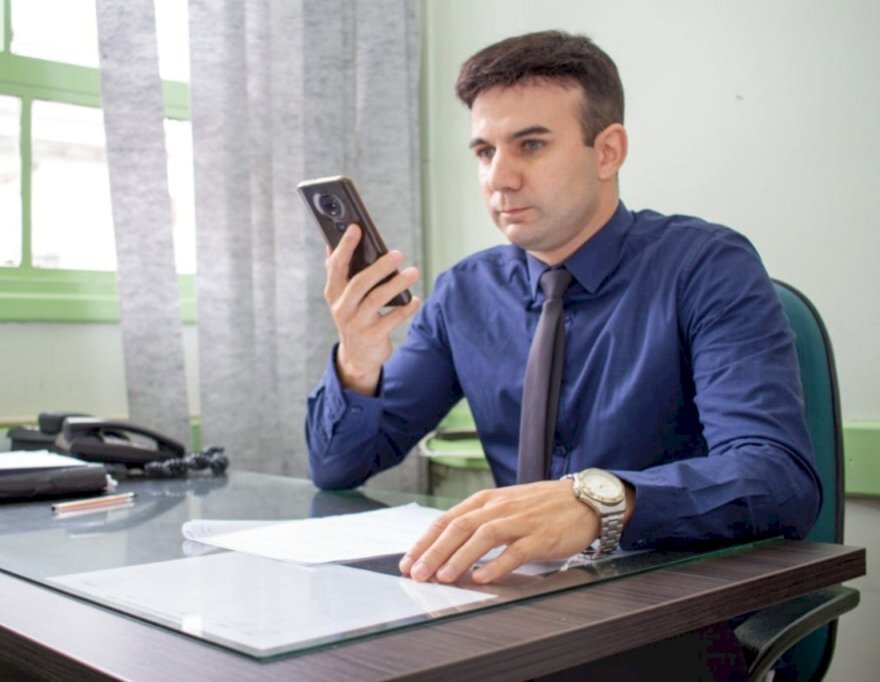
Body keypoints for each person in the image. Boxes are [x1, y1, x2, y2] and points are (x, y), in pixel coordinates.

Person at [304, 30, 821, 586]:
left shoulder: (707, 267)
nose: (499, 178)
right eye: (485, 151)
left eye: (530, 145)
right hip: (513, 597)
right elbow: (340, 468)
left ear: (607, 151)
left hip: (663, 605)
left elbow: (778, 479)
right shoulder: (464, 293)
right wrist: (357, 363)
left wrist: (596, 503)